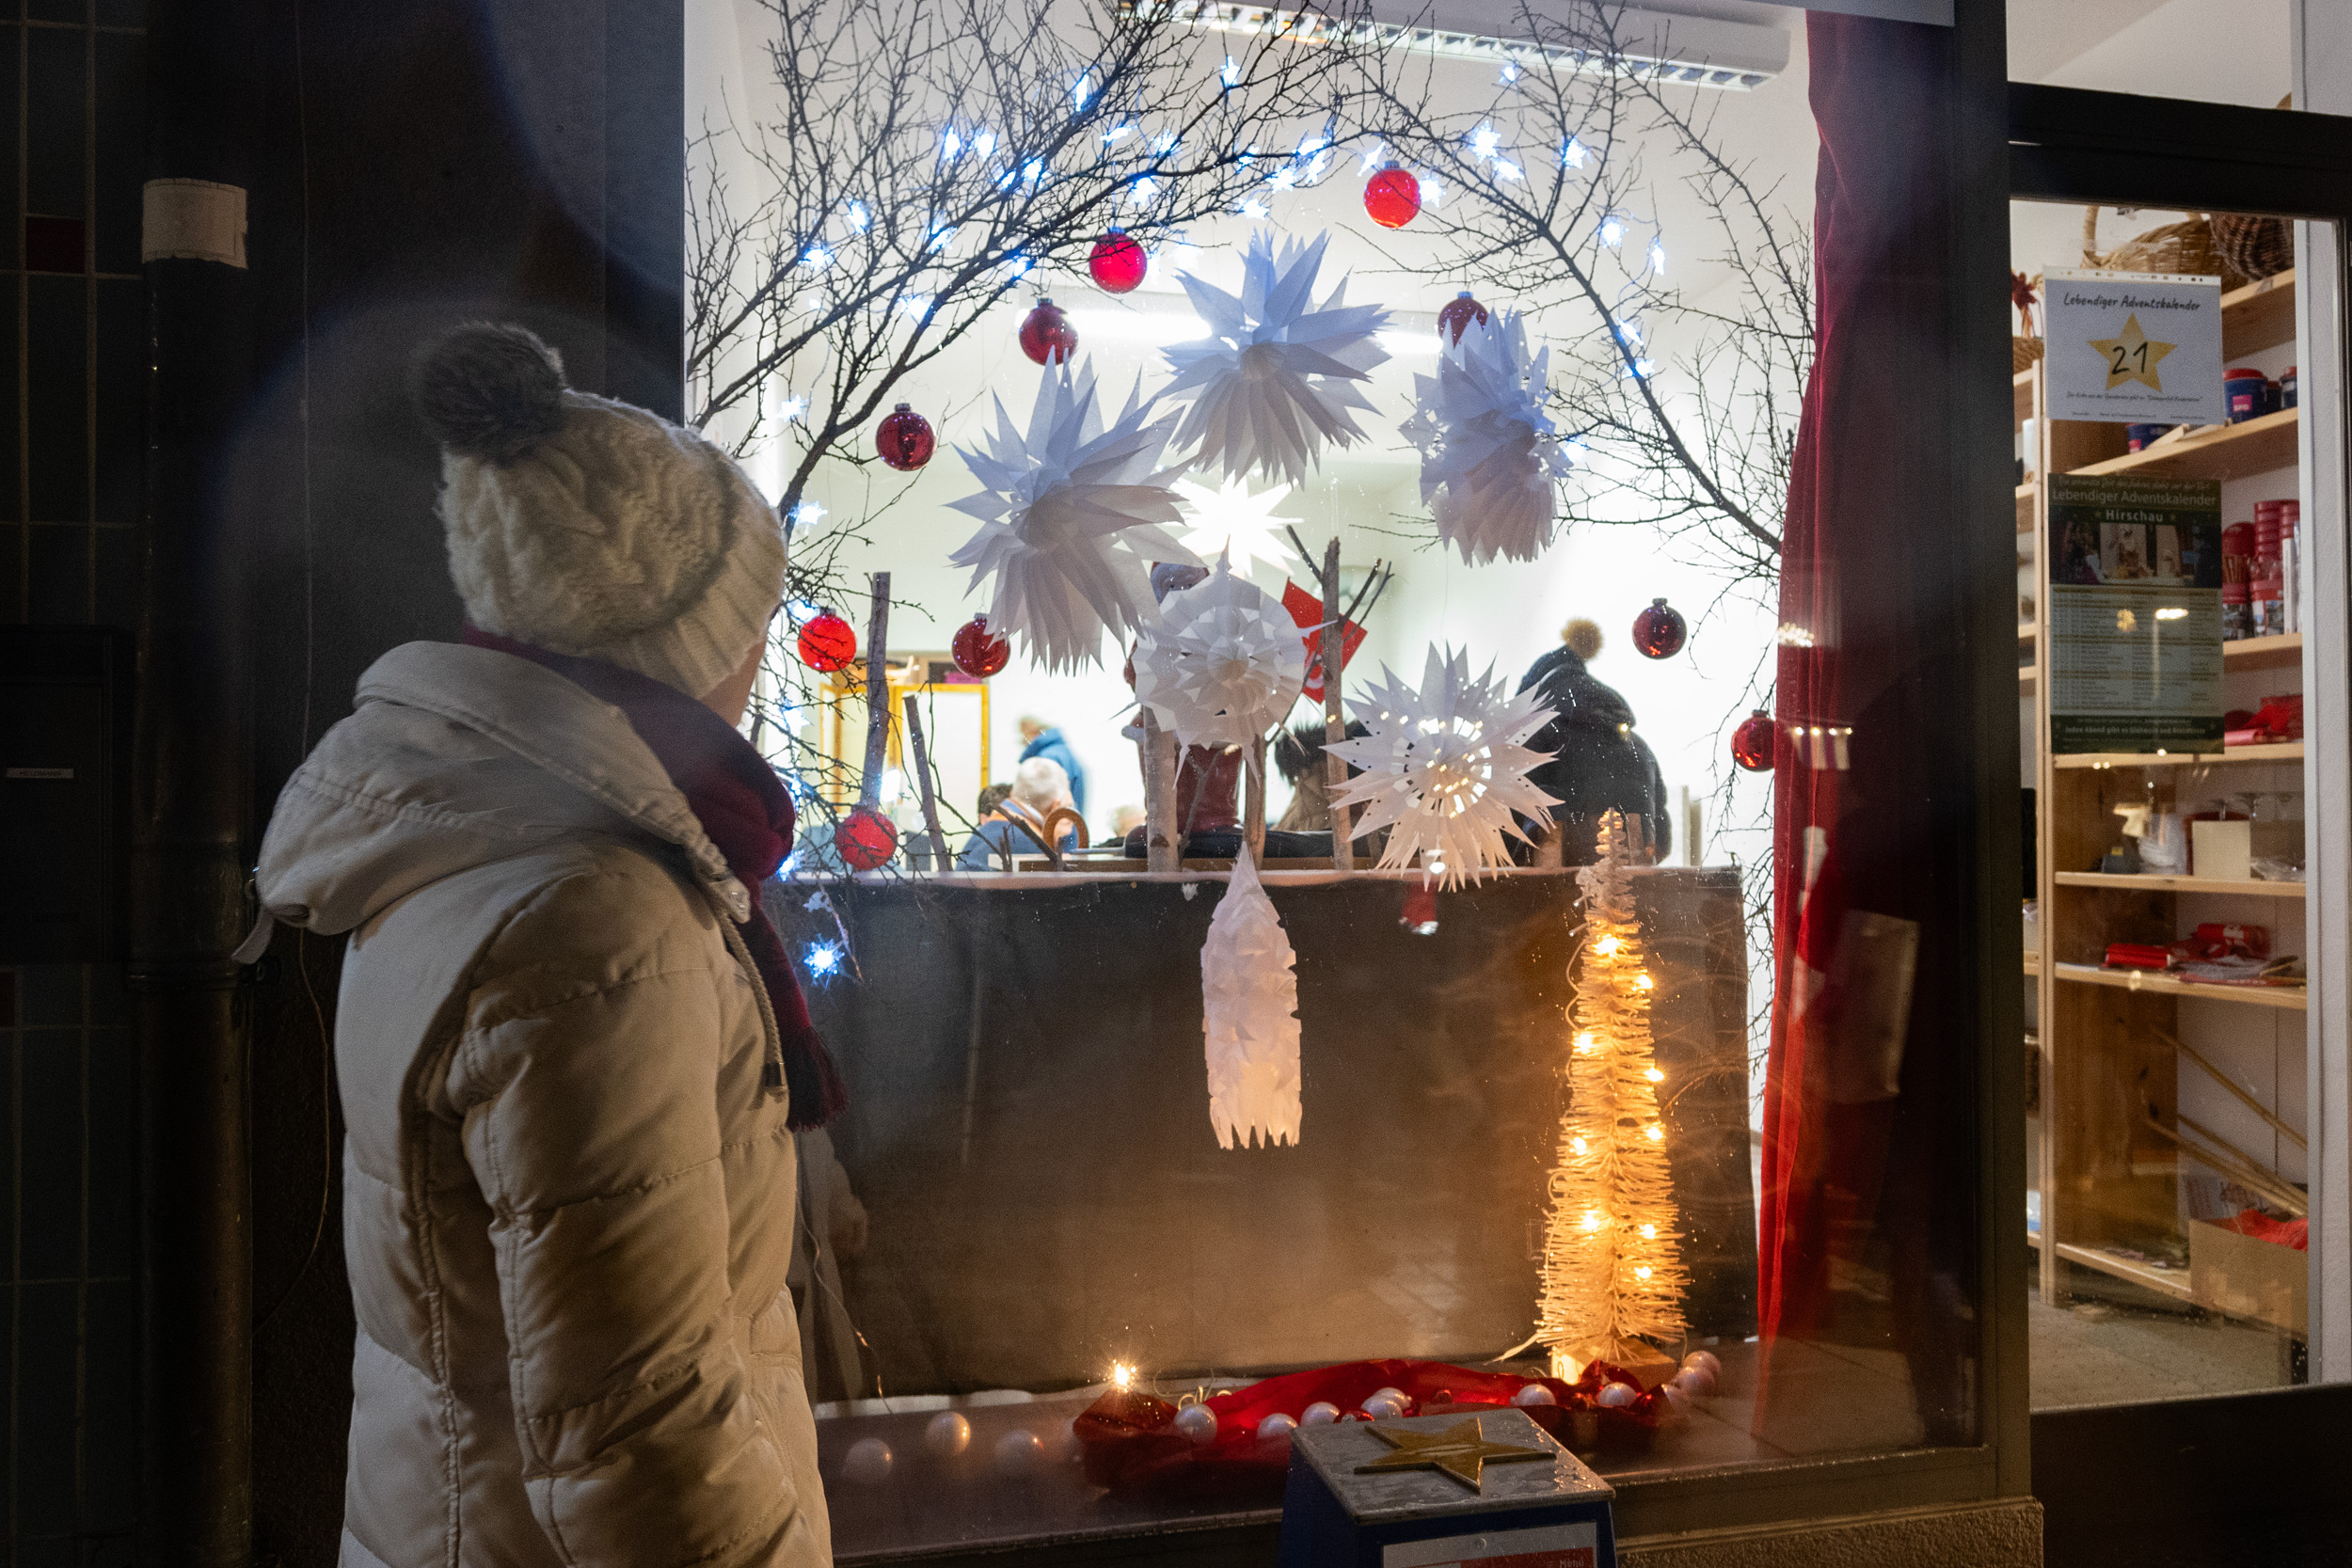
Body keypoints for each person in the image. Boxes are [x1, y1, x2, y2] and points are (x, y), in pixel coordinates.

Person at [244, 324, 832, 1565]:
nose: (761, 654)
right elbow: (642, 1437)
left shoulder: (473, 839)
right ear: (684, 642)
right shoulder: (596, 921)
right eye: (754, 618)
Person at [1518, 617, 1671, 862]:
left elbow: (1511, 823)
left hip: (1566, 891)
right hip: (1634, 886)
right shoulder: (1637, 744)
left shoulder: (1539, 737)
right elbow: (1661, 841)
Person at [956, 760, 1077, 869]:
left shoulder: (984, 832)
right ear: (1055, 807)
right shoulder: (1033, 847)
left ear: (1013, 793)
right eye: (1067, 806)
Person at [1017, 714, 1087, 816]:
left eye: (1023, 734)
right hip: (1069, 824)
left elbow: (1041, 803)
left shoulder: (1046, 758)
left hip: (1053, 826)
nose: (1022, 741)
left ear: (1032, 731)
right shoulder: (1064, 753)